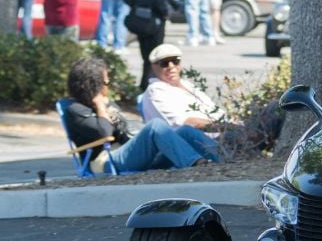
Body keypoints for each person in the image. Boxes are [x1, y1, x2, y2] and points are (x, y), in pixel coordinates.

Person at [62, 57, 218, 173]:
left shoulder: (104, 105)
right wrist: (100, 106)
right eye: (105, 83)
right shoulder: (75, 110)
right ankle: (197, 165)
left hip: (130, 154)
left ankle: (225, 161)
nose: (107, 87)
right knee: (155, 126)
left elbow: (123, 129)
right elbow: (104, 133)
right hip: (104, 161)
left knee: (185, 131)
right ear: (93, 85)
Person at [139, 43, 227, 133]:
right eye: (164, 63)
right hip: (193, 140)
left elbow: (214, 109)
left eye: (175, 61)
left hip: (219, 133)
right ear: (154, 67)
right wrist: (226, 127)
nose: (171, 66)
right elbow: (184, 123)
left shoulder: (187, 85)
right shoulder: (156, 91)